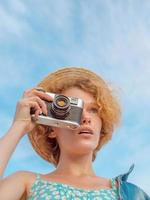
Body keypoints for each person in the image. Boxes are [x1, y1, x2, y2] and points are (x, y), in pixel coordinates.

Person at [0, 67, 149, 200]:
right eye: (74, 111)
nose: (86, 118)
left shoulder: (130, 194)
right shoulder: (26, 182)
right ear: (52, 128)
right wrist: (19, 126)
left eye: (94, 110)